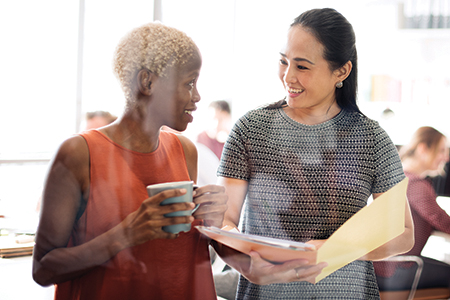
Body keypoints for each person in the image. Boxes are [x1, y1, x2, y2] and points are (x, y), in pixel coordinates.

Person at [213, 8, 414, 299]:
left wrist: (338, 249)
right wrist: (244, 261)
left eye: (303, 67)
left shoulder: (371, 138)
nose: (288, 76)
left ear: (342, 71)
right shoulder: (251, 129)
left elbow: (404, 231)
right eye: (283, 62)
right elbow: (223, 220)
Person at [32, 22, 227, 300]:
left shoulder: (185, 151)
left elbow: (183, 257)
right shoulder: (78, 153)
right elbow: (43, 269)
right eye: (189, 82)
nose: (197, 97)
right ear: (147, 82)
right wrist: (125, 235)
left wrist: (211, 226)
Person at [374, 126, 450, 291]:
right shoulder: (415, 183)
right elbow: (438, 218)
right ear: (423, 148)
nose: (446, 157)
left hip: (384, 267)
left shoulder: (399, 176)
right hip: (396, 269)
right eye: (441, 150)